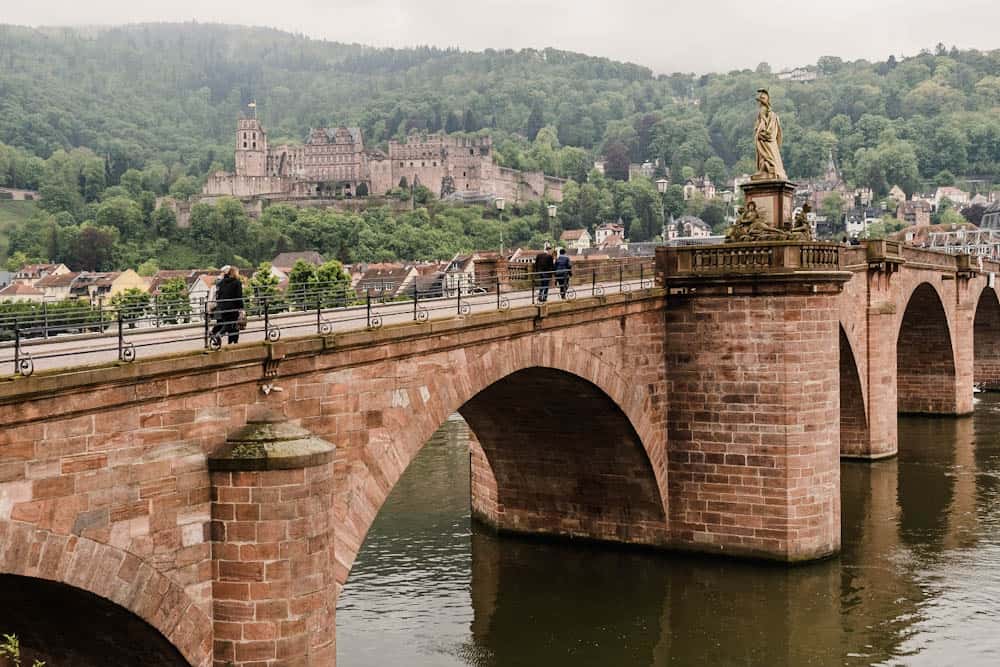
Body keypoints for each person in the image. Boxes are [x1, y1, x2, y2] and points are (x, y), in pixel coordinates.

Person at [211, 265, 244, 345]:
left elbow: (219, 294)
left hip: (223, 307)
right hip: (233, 307)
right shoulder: (237, 282)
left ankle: (229, 342)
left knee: (228, 323)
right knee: (232, 325)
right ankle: (221, 335)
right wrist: (241, 308)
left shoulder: (221, 282)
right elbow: (238, 296)